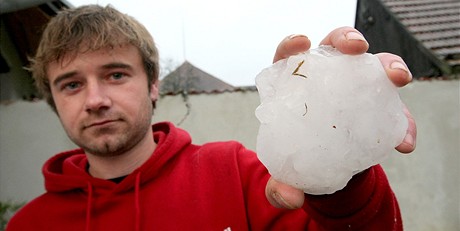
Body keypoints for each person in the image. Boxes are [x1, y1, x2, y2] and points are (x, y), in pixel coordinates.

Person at [6, 4, 417, 231]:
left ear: (153, 84)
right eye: (71, 84)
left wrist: (339, 169)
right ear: (52, 98)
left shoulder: (238, 175)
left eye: (115, 74)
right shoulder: (29, 225)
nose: (95, 100)